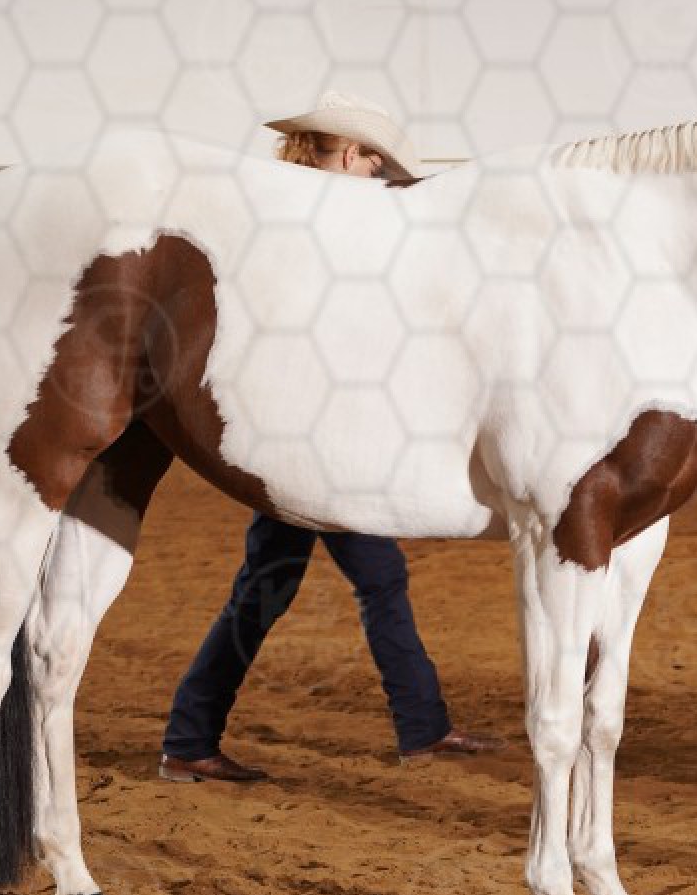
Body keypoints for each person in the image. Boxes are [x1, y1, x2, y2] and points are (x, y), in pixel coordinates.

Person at [159, 93, 502, 782]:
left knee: (275, 583)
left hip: (298, 429)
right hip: (317, 436)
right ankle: (419, 728)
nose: (377, 175)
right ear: (348, 154)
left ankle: (191, 737)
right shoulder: (320, 225)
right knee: (369, 577)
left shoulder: (283, 214)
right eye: (373, 162)